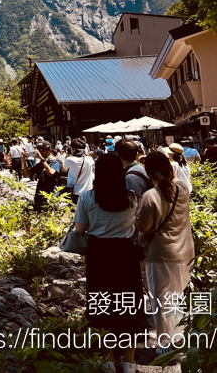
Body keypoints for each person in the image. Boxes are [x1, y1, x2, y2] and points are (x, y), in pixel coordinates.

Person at [74, 153, 144, 373]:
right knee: (129, 304)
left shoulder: (87, 197)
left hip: (100, 254)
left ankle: (107, 360)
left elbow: (79, 230)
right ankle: (129, 361)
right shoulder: (131, 197)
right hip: (125, 253)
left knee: (102, 304)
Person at [135, 152, 195, 356]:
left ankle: (164, 345)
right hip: (185, 252)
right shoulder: (183, 189)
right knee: (175, 298)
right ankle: (177, 340)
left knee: (160, 301)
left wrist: (135, 219)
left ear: (147, 172)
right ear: (170, 169)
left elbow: (145, 226)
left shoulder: (150, 196)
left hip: (161, 254)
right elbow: (174, 179)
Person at [61, 137, 94, 204]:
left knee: (76, 212)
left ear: (74, 148)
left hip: (76, 191)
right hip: (89, 191)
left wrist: (65, 158)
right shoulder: (90, 159)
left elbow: (64, 169)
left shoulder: (69, 159)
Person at [32, 141, 62, 211]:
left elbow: (51, 173)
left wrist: (42, 160)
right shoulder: (41, 163)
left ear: (50, 151)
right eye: (38, 150)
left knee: (51, 213)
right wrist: (24, 159)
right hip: (40, 194)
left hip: (51, 193)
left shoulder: (54, 161)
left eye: (42, 150)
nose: (40, 152)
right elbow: (27, 173)